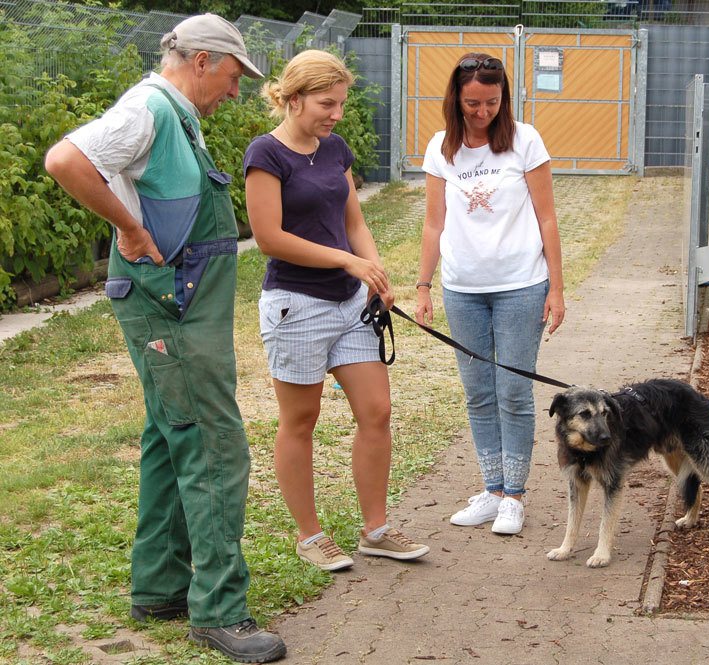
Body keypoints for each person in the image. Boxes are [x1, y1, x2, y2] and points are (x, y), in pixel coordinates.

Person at [44, 14, 286, 663]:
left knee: (169, 433)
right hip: (170, 300)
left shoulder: (175, 114)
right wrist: (129, 227)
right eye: (233, 77)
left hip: (178, 298)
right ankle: (220, 610)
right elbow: (65, 159)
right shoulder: (149, 108)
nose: (235, 91)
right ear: (202, 60)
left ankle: (159, 584)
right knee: (213, 442)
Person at [243, 49, 429, 572]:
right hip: (296, 306)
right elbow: (269, 238)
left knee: (377, 411)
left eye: (341, 103)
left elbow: (354, 223)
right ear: (294, 98)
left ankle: (376, 530)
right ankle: (310, 536)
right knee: (301, 420)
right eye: (327, 104)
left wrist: (374, 273)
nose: (337, 114)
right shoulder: (265, 154)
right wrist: (348, 261)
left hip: (350, 305)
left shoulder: (335, 149)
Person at [415, 53, 565, 535]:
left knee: (514, 392)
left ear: (505, 99)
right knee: (479, 393)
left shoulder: (525, 141)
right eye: (473, 103)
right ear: (455, 100)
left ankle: (515, 496)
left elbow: (547, 217)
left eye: (492, 102)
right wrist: (423, 286)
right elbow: (434, 223)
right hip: (463, 290)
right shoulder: (441, 147)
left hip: (521, 286)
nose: (483, 112)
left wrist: (557, 287)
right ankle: (492, 490)